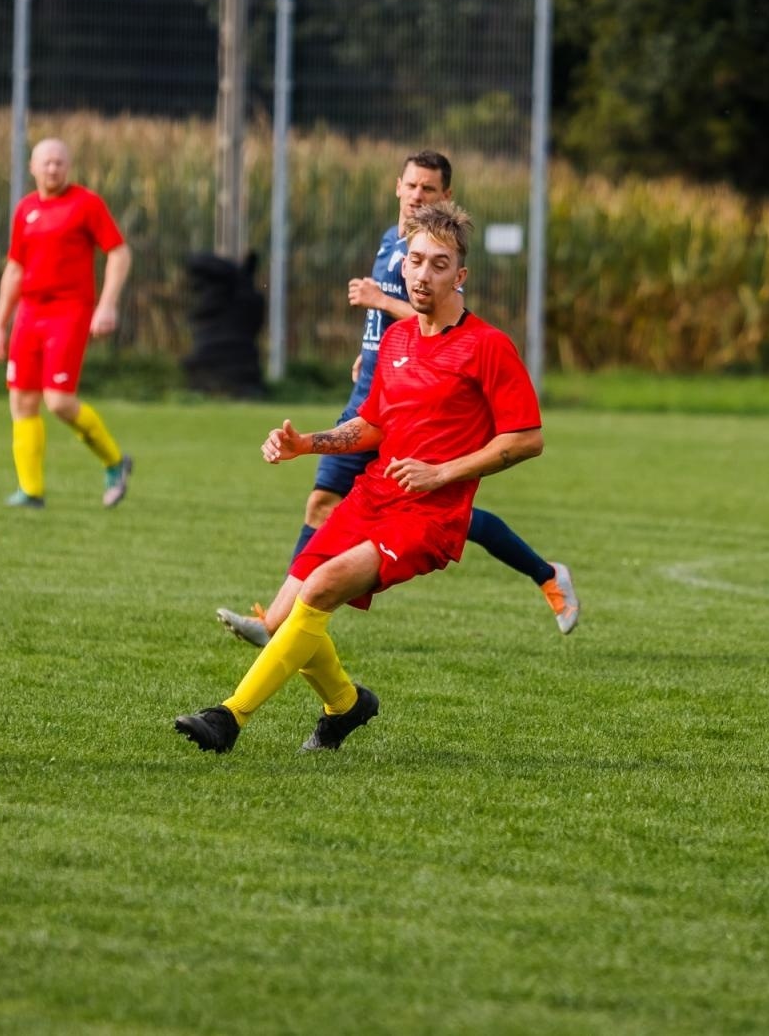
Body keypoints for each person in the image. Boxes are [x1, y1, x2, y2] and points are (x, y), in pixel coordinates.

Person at [176, 202, 543, 753]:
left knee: (319, 590)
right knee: (288, 615)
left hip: (430, 517)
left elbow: (525, 439)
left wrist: (443, 472)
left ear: (460, 276)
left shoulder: (486, 346)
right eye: (415, 261)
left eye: (438, 265)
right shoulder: (396, 341)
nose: (422, 274)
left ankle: (229, 718)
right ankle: (347, 706)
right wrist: (308, 444)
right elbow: (371, 425)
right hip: (371, 498)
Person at [215, 150, 576, 647]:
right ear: (397, 187)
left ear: (445, 196)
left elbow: (426, 317)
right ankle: (277, 619)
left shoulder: (477, 337)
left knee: (446, 514)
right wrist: (369, 357)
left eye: (428, 189)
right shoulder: (392, 244)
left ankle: (545, 573)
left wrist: (382, 305)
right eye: (411, 186)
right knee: (325, 503)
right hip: (378, 391)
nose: (417, 196)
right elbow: (395, 332)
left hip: (429, 401)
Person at [0, 138, 133, 509]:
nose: (53, 169)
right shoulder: (25, 210)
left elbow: (118, 252)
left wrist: (108, 304)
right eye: (46, 163)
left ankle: (115, 462)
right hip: (30, 313)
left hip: (69, 311)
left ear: (68, 167)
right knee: (21, 400)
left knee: (58, 401)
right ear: (33, 167)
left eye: (59, 162)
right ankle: (31, 491)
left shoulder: (86, 204)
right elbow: (15, 268)